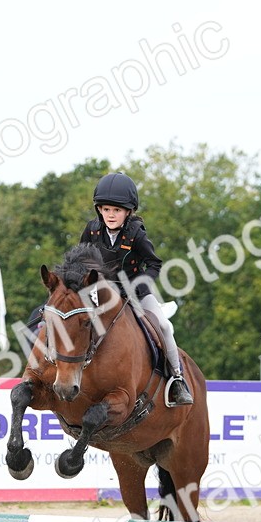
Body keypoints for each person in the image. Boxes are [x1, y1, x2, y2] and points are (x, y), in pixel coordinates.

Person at [78, 171, 193, 406]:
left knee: (164, 325)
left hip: (134, 290)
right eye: (106, 209)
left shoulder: (136, 234)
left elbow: (154, 263)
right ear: (99, 209)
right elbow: (79, 260)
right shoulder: (92, 230)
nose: (111, 215)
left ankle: (177, 379)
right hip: (99, 291)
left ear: (128, 212)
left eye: (117, 210)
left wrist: (138, 287)